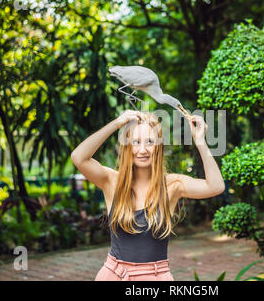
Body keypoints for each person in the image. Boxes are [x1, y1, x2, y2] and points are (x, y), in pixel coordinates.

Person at [70, 110, 225, 281]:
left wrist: (200, 141)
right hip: (114, 275)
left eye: (150, 142)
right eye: (135, 142)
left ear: (158, 147)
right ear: (127, 147)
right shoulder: (112, 181)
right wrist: (117, 123)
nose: (142, 150)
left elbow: (216, 186)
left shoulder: (172, 185)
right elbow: (78, 157)